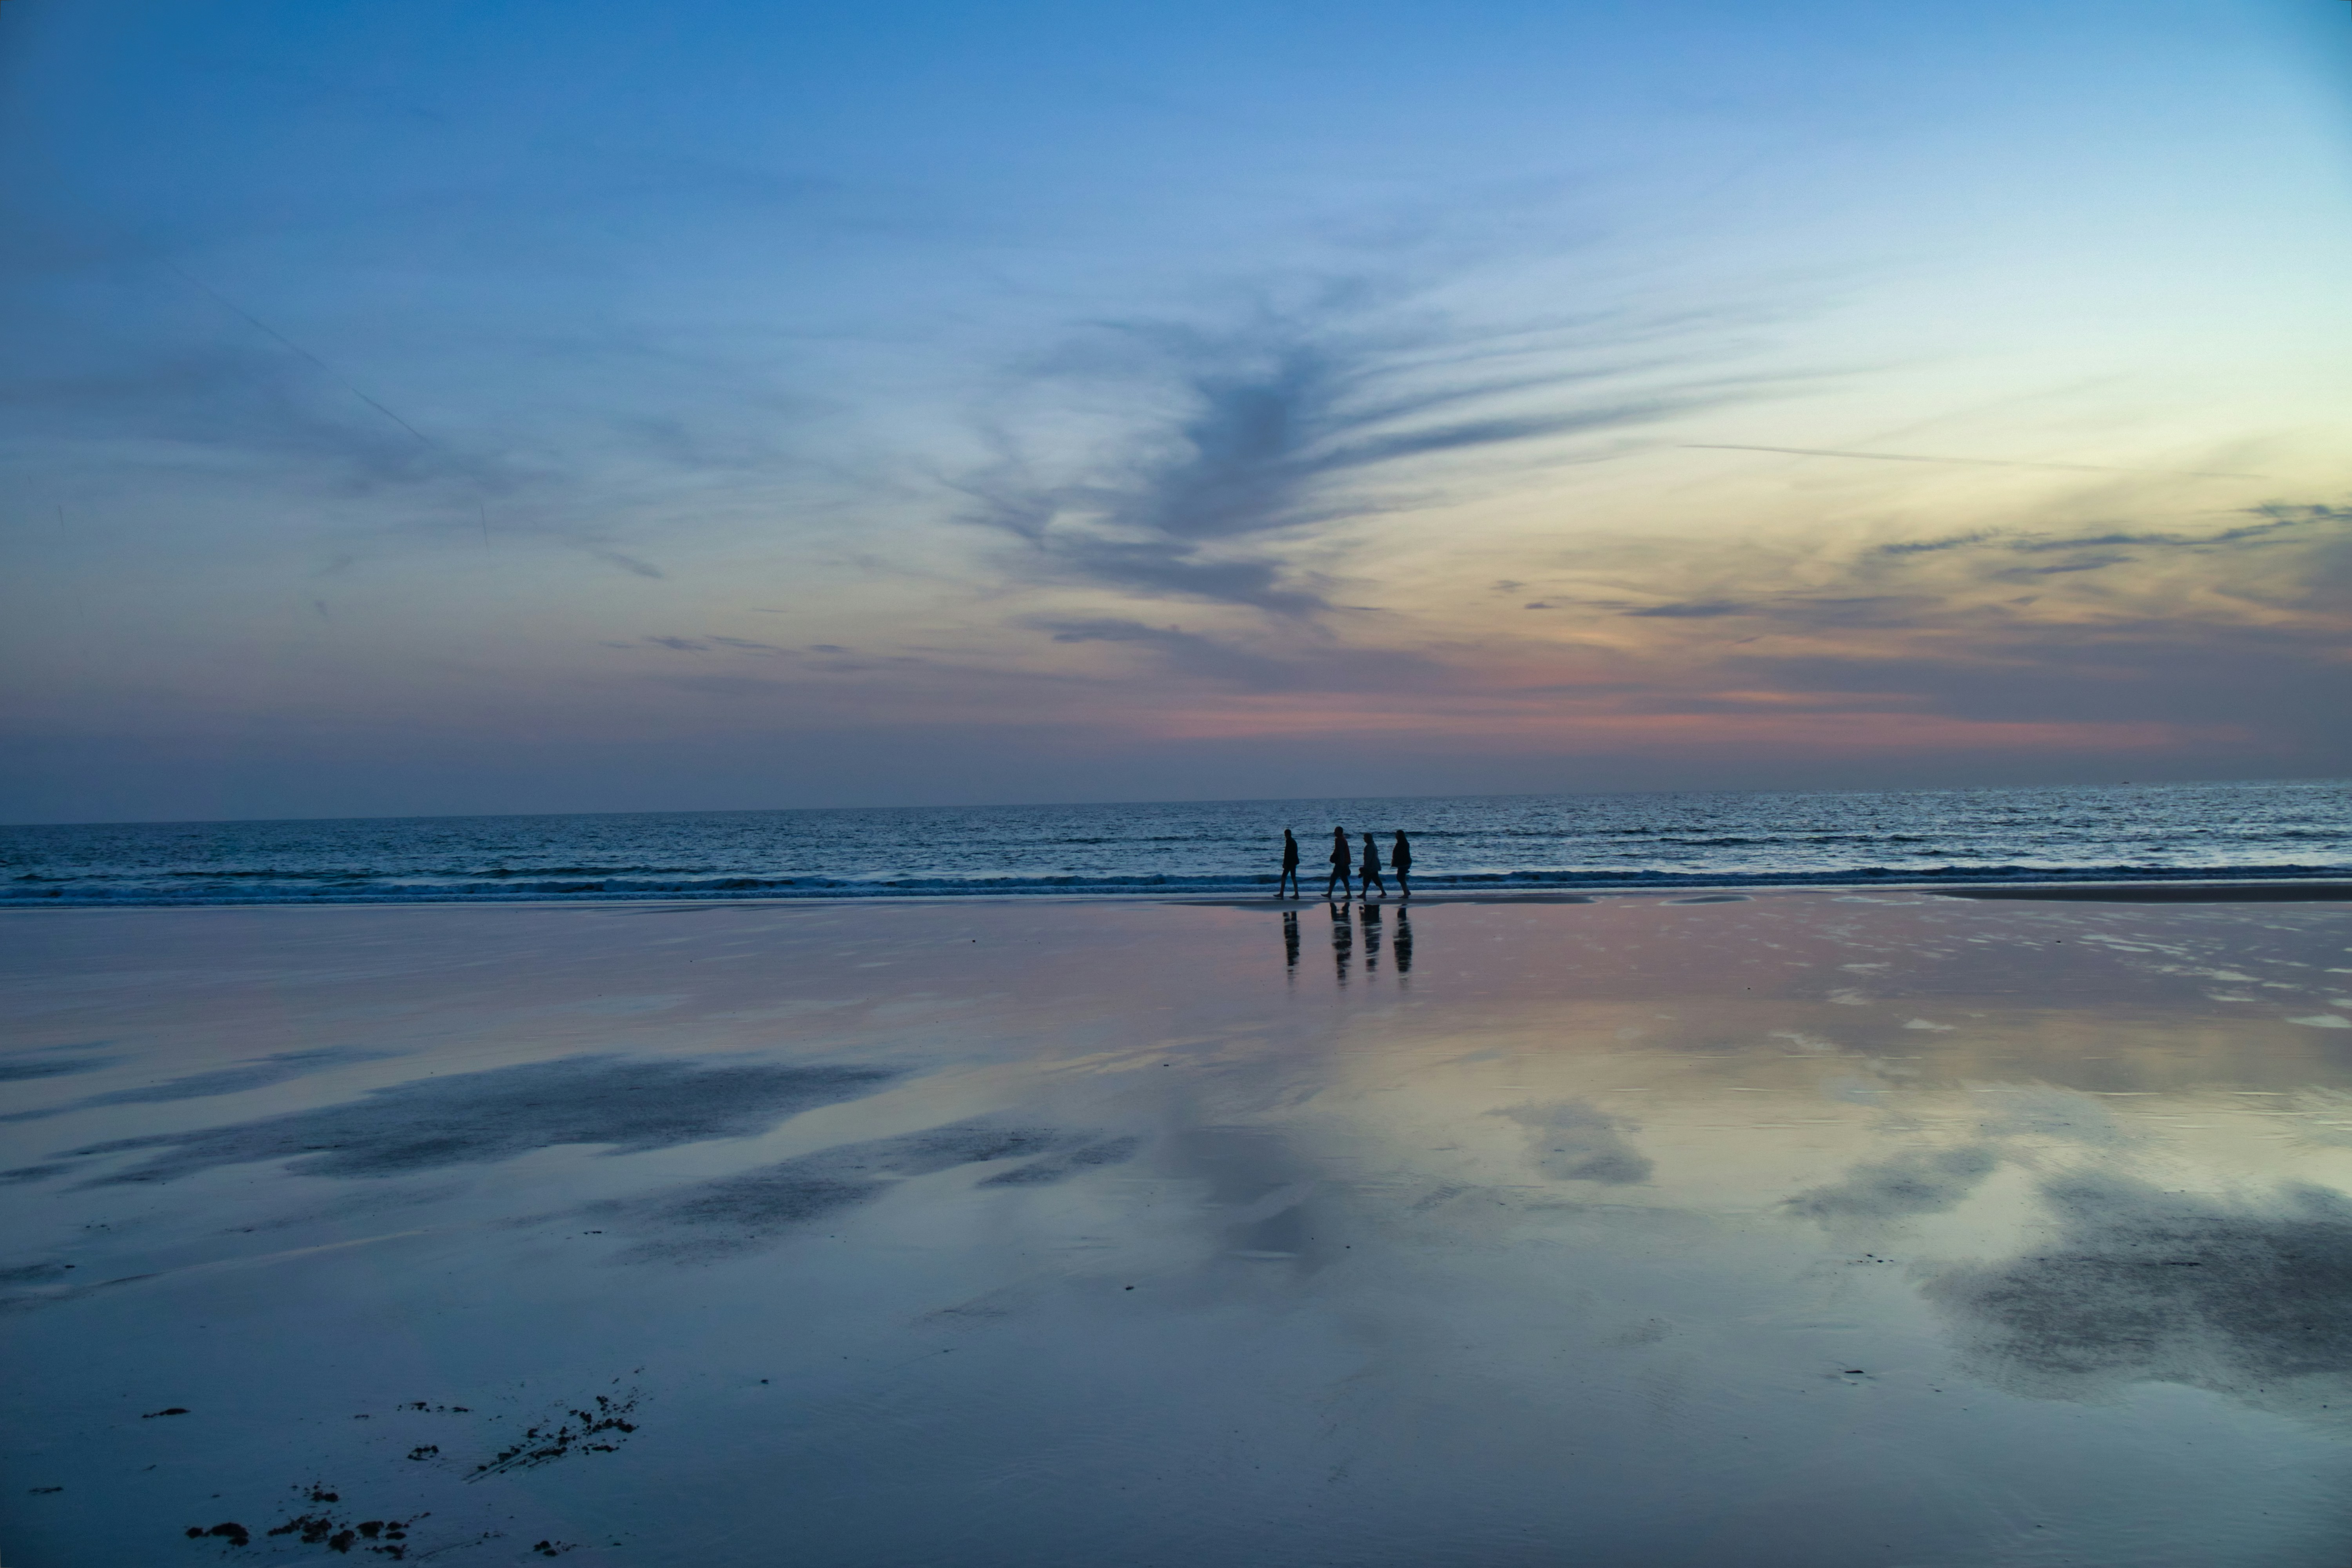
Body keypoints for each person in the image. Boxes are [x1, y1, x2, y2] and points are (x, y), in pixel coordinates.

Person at [1325, 826, 1353, 899]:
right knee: (1344, 878)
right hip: (1344, 862)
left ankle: (1330, 894)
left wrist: (1340, 862)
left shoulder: (1341, 840)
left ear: (1340, 832)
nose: (1334, 832)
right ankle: (1348, 894)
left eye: (1336, 831)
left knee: (1334, 877)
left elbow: (1341, 853)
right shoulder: (1342, 840)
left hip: (1341, 863)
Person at [1359, 831, 1387, 897]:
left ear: (1368, 838)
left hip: (1371, 867)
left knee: (1372, 879)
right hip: (1374, 866)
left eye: (1365, 838)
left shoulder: (1370, 847)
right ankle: (1364, 893)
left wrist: (1365, 868)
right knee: (1371, 879)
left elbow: (1368, 858)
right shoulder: (1373, 845)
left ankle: (1383, 892)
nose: (1364, 839)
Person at [1278, 829, 1301, 899]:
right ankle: (1296, 894)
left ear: (1286, 835)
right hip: (1293, 862)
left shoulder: (1289, 842)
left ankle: (1282, 893)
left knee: (1284, 877)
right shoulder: (1293, 841)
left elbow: (1287, 854)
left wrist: (1285, 863)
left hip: (1290, 863)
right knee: (1293, 878)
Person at [1391, 829, 1413, 898]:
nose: (1396, 836)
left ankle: (1406, 894)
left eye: (1397, 835)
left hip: (1404, 863)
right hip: (1404, 863)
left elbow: (1400, 854)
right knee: (1400, 878)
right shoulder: (1404, 843)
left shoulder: (1402, 843)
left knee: (1401, 878)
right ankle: (1407, 892)